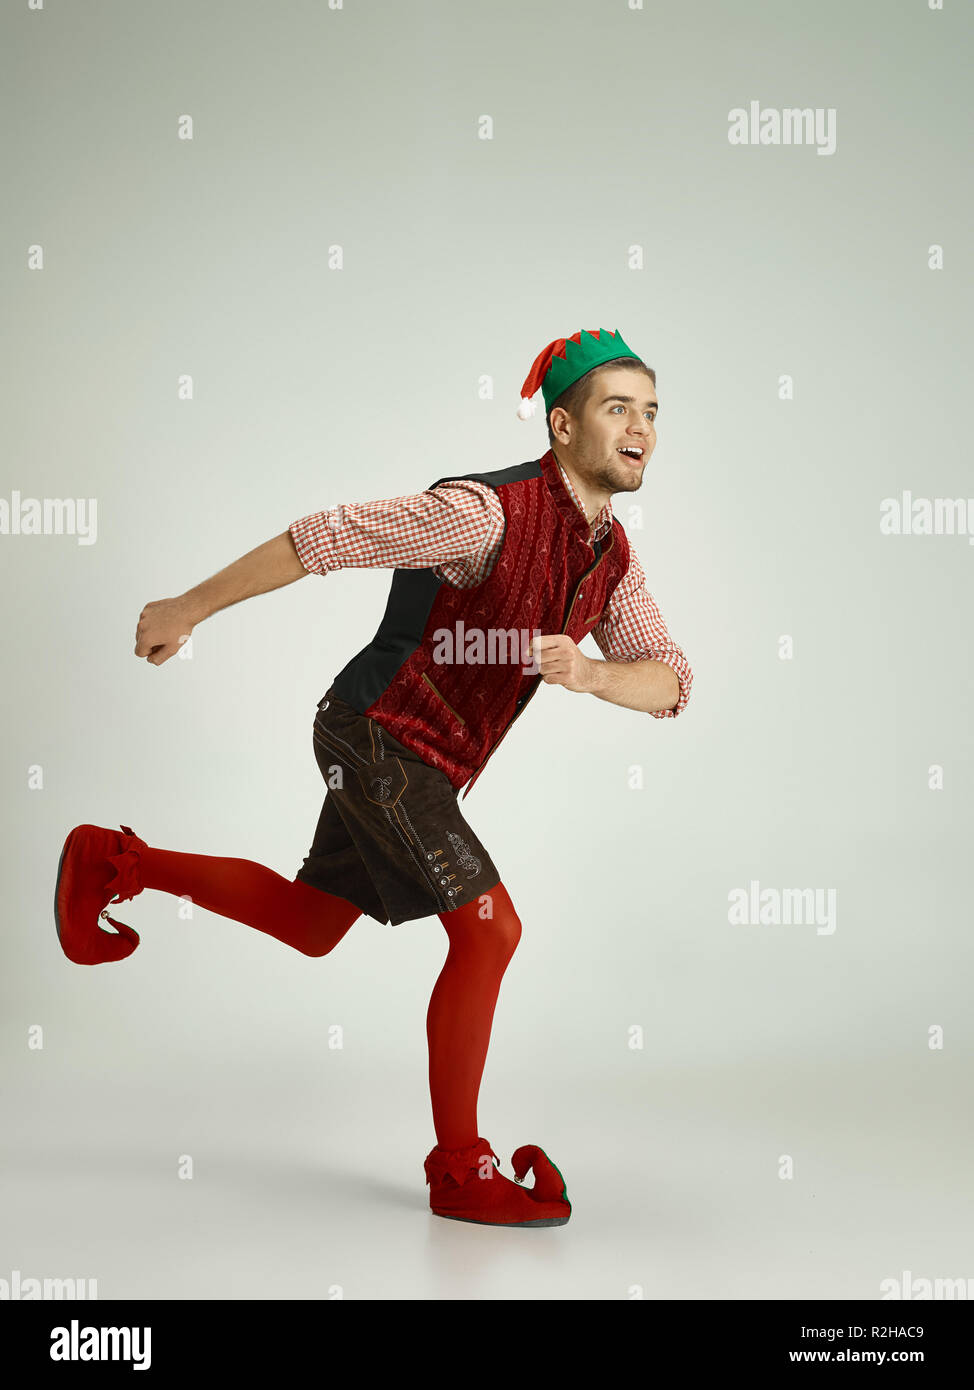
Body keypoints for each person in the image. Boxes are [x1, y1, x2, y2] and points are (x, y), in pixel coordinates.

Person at [54, 328, 693, 1228]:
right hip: (378, 732)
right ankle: (459, 1170)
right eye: (617, 407)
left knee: (309, 924)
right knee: (488, 931)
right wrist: (187, 609)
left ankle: (116, 862)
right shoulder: (485, 513)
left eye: (653, 411)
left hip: (430, 763)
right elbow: (326, 537)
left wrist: (591, 673)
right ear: (562, 425)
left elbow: (670, 679)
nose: (641, 428)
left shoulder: (609, 560)